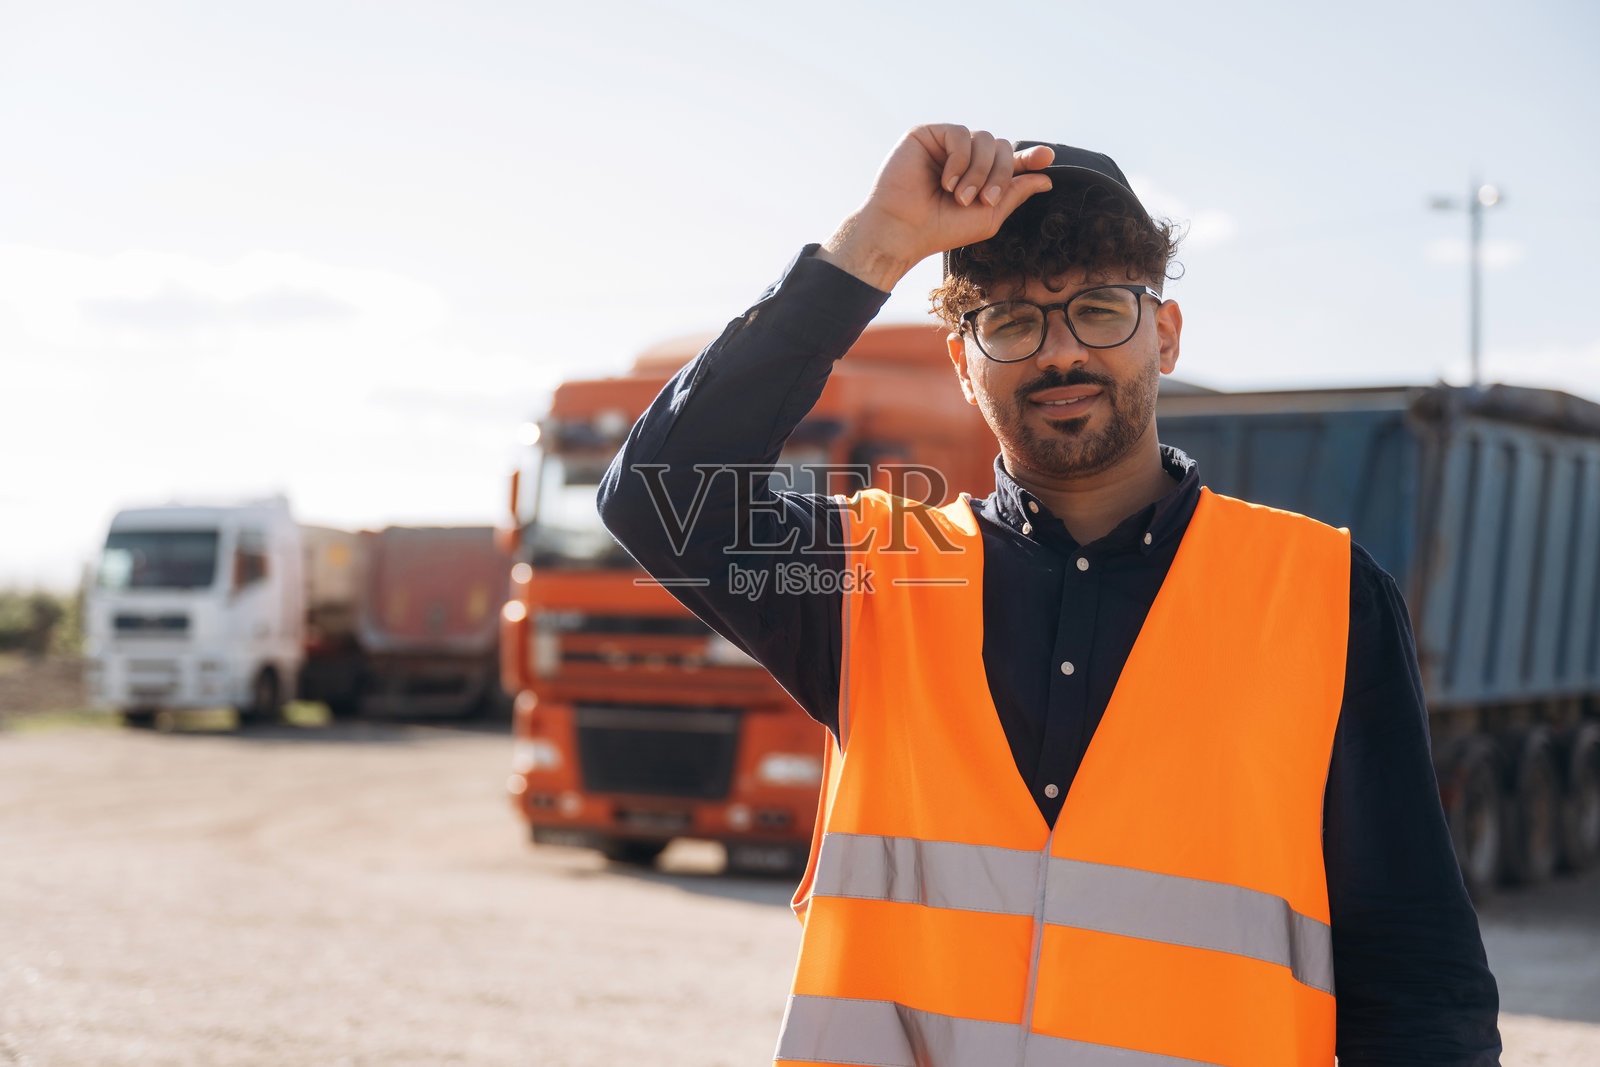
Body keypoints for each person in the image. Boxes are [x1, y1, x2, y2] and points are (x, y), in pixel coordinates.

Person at [597, 126, 1501, 1066]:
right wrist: (876, 243)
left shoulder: (1324, 594)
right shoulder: (876, 573)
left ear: (1167, 332)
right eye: (1012, 320)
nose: (1059, 353)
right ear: (962, 360)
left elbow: (1416, 975)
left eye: (1100, 308)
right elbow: (657, 494)